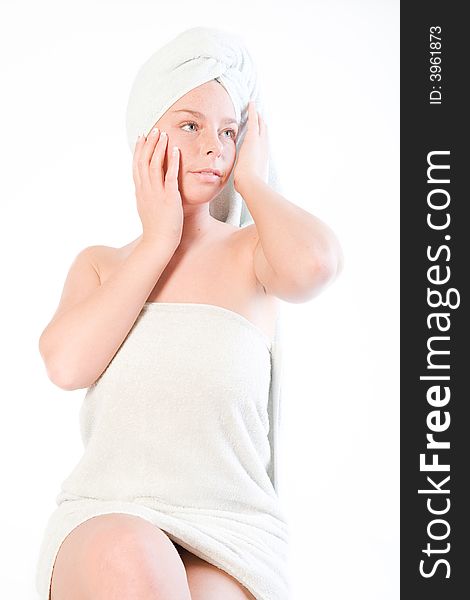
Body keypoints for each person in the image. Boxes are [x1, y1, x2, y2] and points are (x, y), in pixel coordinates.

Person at [35, 28, 343, 600]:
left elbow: (316, 265)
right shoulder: (103, 267)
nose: (214, 147)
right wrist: (158, 241)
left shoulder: (256, 255)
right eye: (190, 125)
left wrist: (251, 177)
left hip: (231, 536)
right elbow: (65, 365)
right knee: (133, 558)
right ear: (146, 135)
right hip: (108, 517)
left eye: (229, 132)